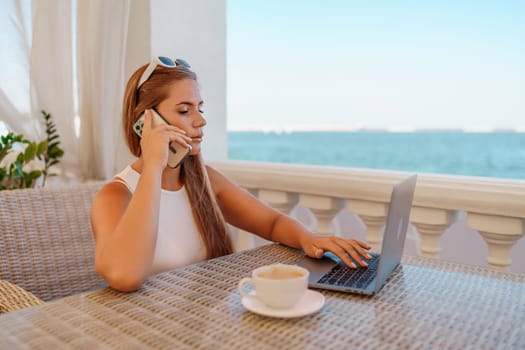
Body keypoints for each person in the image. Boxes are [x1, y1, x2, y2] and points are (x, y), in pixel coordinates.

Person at [90, 56, 372, 292]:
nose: (201, 120)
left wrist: (308, 238)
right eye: (184, 110)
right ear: (144, 122)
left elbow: (272, 223)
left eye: (200, 108)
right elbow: (125, 276)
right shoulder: (115, 196)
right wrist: (153, 165)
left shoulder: (203, 180)